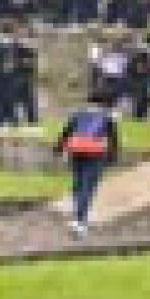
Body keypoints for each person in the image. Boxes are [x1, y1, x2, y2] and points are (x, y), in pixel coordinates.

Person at [53, 92, 120, 236]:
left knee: (78, 182)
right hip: (95, 154)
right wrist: (111, 158)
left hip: (77, 151)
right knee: (88, 186)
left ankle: (78, 211)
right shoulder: (108, 118)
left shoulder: (78, 114)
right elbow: (113, 139)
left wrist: (59, 149)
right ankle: (80, 220)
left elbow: (66, 132)